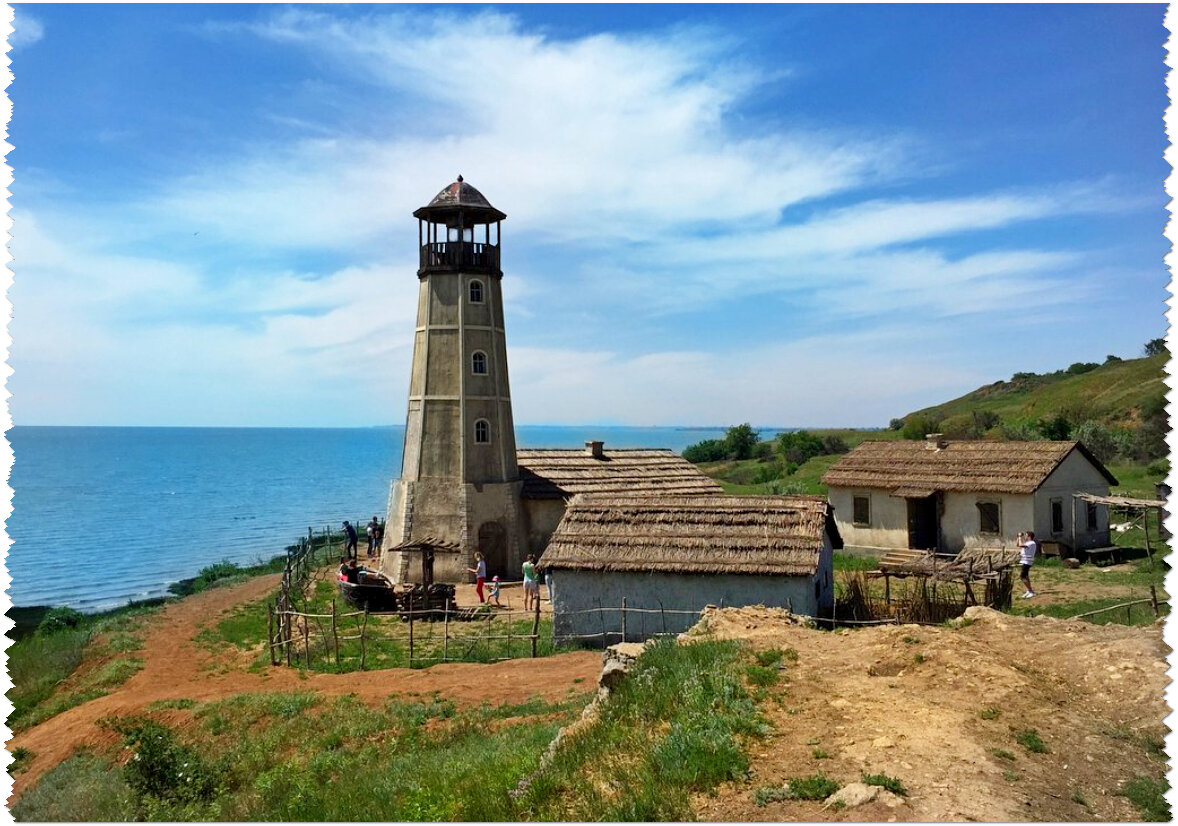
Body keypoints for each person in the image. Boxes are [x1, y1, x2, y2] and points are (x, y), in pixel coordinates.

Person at [1018, 530, 1038, 599]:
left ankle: (1030, 591)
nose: (1025, 537)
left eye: (1026, 535)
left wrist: (1020, 537)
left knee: (1022, 576)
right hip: (1024, 561)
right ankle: (1029, 590)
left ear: (1029, 536)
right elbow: (1018, 545)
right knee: (1026, 576)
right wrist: (1019, 538)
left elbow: (1021, 545)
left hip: (1027, 562)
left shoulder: (1031, 543)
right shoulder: (1028, 543)